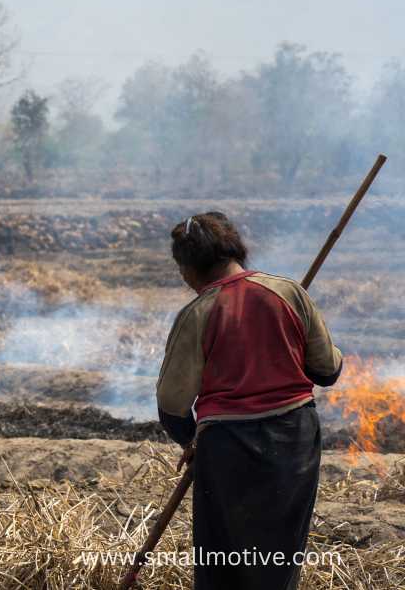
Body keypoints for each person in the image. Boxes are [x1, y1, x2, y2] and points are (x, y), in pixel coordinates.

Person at [156, 211, 342, 590]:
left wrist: (191, 441)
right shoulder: (289, 293)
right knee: (279, 555)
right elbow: (327, 370)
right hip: (295, 440)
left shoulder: (198, 312)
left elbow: (173, 406)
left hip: (228, 448)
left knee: (222, 559)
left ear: (189, 268)